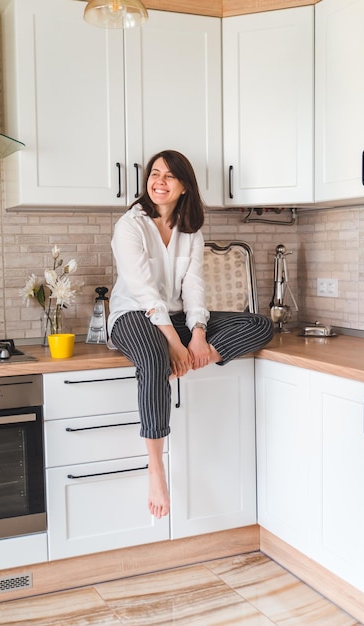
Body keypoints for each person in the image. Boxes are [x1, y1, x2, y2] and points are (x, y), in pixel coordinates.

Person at [107, 150, 273, 520]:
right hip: (132, 315)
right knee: (153, 358)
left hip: (178, 320)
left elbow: (195, 286)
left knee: (259, 325)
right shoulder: (129, 226)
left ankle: (184, 362)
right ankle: (156, 468)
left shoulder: (191, 230)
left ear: (184, 186)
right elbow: (144, 293)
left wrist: (197, 336)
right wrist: (172, 343)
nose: (158, 182)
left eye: (168, 176)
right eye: (154, 174)